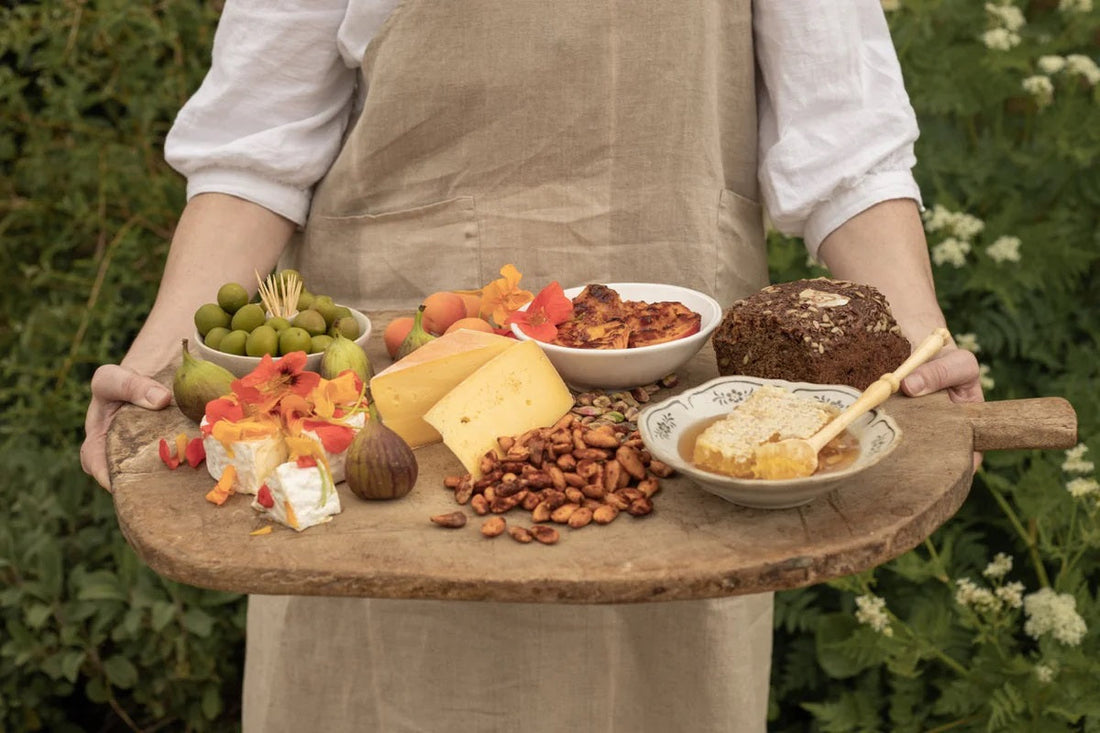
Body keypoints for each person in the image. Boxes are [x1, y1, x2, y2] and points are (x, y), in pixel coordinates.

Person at [82, 1, 983, 730]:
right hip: (390, 430)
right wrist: (165, 357)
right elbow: (255, 151)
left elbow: (847, 146)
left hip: (669, 427)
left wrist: (917, 338)